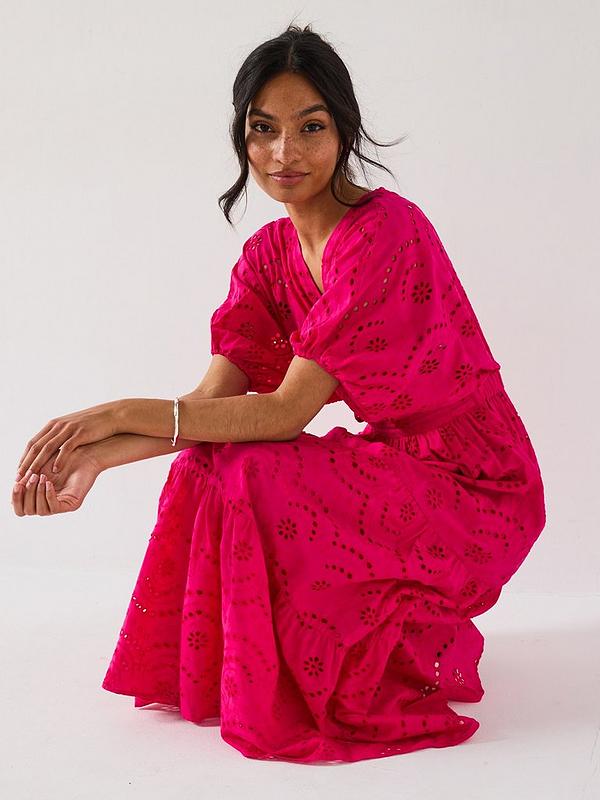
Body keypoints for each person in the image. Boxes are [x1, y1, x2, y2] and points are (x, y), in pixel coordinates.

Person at [11, 23, 546, 764]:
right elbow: (209, 407)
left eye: (310, 127)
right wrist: (97, 461)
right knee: (209, 461)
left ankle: (305, 679)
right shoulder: (267, 257)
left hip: (477, 480)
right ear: (242, 137)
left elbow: (285, 412)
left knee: (257, 465)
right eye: (263, 129)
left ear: (344, 130)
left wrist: (110, 414)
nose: (284, 153)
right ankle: (239, 674)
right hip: (398, 460)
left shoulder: (384, 232)